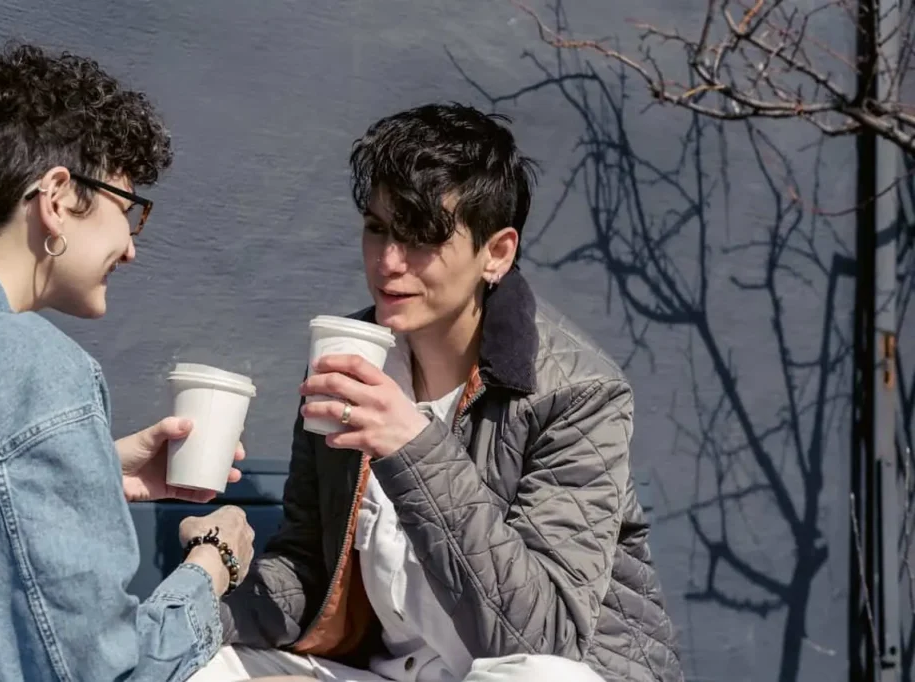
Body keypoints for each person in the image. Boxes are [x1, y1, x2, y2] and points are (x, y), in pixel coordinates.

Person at [193, 104, 684, 682]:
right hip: (389, 672)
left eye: (422, 236)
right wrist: (207, 582)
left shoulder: (579, 393)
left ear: (496, 253)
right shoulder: (350, 360)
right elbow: (309, 568)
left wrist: (411, 446)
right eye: (377, 228)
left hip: (536, 674)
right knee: (200, 663)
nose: (388, 262)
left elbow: (539, 640)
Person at [0, 44, 254, 681]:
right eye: (128, 208)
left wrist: (95, 466)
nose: (131, 249)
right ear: (57, 198)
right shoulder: (30, 370)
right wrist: (212, 566)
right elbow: (92, 671)